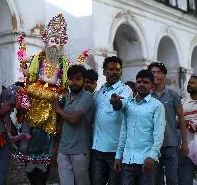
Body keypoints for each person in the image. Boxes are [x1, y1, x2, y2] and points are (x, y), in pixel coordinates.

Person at [18, 13, 69, 185]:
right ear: (46, 40)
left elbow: (65, 86)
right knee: (27, 141)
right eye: (52, 39)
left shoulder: (63, 62)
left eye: (58, 40)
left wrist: (57, 96)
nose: (54, 43)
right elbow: (30, 83)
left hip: (53, 107)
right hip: (35, 102)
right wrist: (46, 94)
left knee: (47, 145)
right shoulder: (38, 58)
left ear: (62, 42)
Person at [113, 69, 166, 185]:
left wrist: (152, 156)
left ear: (152, 85)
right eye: (138, 82)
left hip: (147, 160)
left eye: (145, 82)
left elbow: (159, 134)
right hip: (128, 160)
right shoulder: (129, 104)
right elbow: (123, 132)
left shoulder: (157, 106)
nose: (141, 84)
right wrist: (118, 156)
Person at [90, 56, 132, 185]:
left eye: (117, 69)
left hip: (115, 152)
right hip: (97, 149)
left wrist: (116, 102)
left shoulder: (126, 90)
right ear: (104, 72)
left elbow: (120, 105)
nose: (114, 72)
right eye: (111, 69)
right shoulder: (99, 92)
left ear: (121, 72)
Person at [52, 65, 94, 185]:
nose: (74, 82)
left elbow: (74, 119)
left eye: (78, 79)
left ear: (84, 80)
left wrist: (58, 109)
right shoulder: (65, 97)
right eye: (71, 78)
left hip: (80, 149)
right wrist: (56, 149)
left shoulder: (87, 96)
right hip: (63, 149)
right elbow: (61, 124)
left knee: (82, 182)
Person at [147, 62, 188, 185]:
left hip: (171, 144)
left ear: (164, 75)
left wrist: (184, 143)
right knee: (156, 180)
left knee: (172, 179)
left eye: (159, 72)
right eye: (153, 72)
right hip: (152, 146)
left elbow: (181, 119)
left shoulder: (173, 95)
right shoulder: (146, 96)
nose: (156, 75)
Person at [178, 75, 197, 185]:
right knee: (185, 181)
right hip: (186, 149)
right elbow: (177, 121)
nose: (189, 84)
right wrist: (185, 122)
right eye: (188, 82)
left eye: (192, 83)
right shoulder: (182, 102)